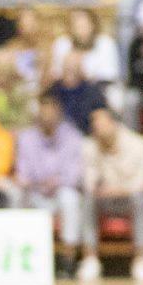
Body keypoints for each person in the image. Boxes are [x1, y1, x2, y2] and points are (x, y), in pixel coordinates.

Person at [11, 96, 90, 272]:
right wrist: (28, 181)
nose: (47, 118)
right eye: (43, 114)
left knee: (70, 198)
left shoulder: (72, 137)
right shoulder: (26, 138)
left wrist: (57, 181)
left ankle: (68, 257)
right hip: (35, 193)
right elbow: (23, 171)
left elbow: (75, 174)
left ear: (59, 115)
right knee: (15, 193)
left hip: (60, 193)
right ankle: (17, 251)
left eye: (51, 114)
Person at [84, 105, 143, 284]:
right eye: (95, 127)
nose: (99, 130)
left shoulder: (140, 144)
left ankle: (141, 258)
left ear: (114, 124)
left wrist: (118, 190)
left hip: (129, 198)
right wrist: (97, 186)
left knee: (142, 201)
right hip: (103, 199)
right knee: (86, 200)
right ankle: (90, 257)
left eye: (102, 125)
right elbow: (88, 181)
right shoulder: (90, 146)